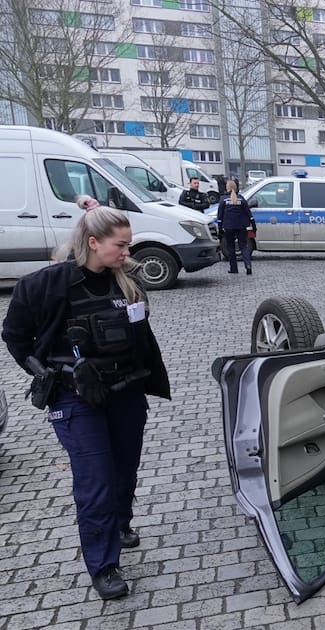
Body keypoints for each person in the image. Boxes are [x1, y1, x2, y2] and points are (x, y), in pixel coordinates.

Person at [1, 196, 170, 601]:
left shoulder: (126, 282)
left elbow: (140, 336)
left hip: (125, 392)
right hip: (74, 398)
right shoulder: (44, 285)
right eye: (120, 245)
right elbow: (15, 337)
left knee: (124, 470)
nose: (127, 253)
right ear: (93, 242)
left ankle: (120, 523)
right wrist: (47, 372)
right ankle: (104, 565)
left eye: (128, 245)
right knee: (96, 480)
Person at [217, 179, 254, 275]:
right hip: (241, 226)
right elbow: (248, 213)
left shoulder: (223, 199)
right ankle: (248, 265)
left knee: (231, 247)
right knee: (243, 246)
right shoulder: (241, 199)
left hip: (228, 227)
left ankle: (234, 268)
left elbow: (220, 216)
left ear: (227, 188)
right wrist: (253, 224)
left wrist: (220, 229)